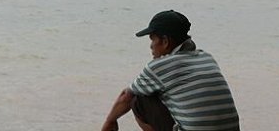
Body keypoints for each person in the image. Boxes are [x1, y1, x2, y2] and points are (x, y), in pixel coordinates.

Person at [101, 10, 240, 131]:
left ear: (165, 41)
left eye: (152, 40)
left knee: (138, 98)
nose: (151, 46)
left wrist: (109, 122)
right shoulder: (207, 57)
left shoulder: (159, 67)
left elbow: (125, 97)